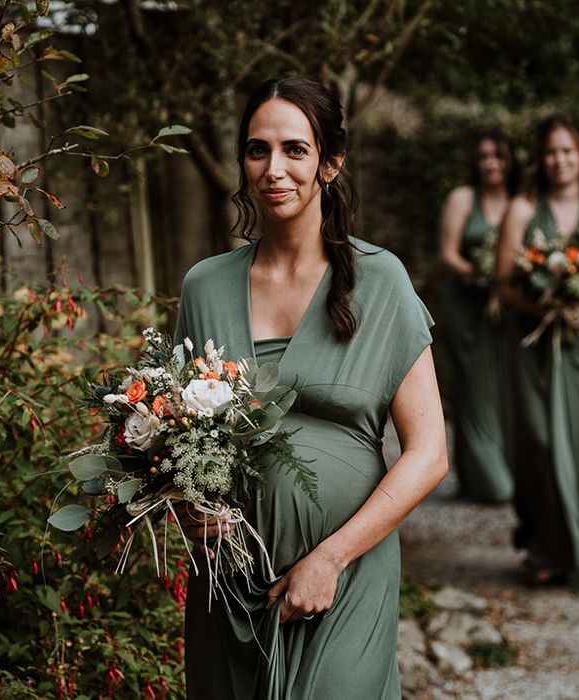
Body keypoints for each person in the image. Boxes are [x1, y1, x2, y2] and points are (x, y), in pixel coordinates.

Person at [174, 77, 448, 699]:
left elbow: (429, 453)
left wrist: (330, 559)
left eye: (295, 150)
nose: (275, 169)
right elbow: (182, 440)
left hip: (346, 578)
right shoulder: (205, 287)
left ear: (330, 163)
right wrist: (189, 504)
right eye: (257, 150)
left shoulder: (380, 282)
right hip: (230, 586)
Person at [496, 112, 579, 589]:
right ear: (540, 159)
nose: (560, 160)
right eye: (551, 151)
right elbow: (504, 284)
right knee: (541, 444)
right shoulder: (523, 210)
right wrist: (546, 303)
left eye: (567, 150)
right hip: (537, 347)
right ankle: (549, 546)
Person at [439, 132, 517, 503]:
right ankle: (488, 481)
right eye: (484, 156)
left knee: (506, 389)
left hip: (510, 312)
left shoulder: (521, 202)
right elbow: (449, 255)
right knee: (475, 391)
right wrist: (486, 276)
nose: (491, 163)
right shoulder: (462, 199)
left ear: (508, 161)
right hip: (468, 308)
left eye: (498, 156)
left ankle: (505, 470)